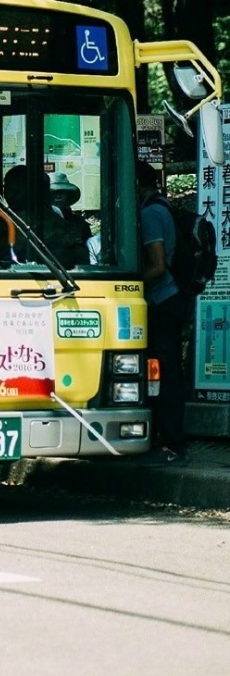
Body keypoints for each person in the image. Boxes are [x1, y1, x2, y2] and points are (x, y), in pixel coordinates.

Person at [137, 160, 187, 462]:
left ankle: (171, 441)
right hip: (172, 298)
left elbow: (157, 266)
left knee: (165, 373)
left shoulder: (150, 214)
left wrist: (129, 283)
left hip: (162, 300)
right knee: (168, 371)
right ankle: (168, 438)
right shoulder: (162, 207)